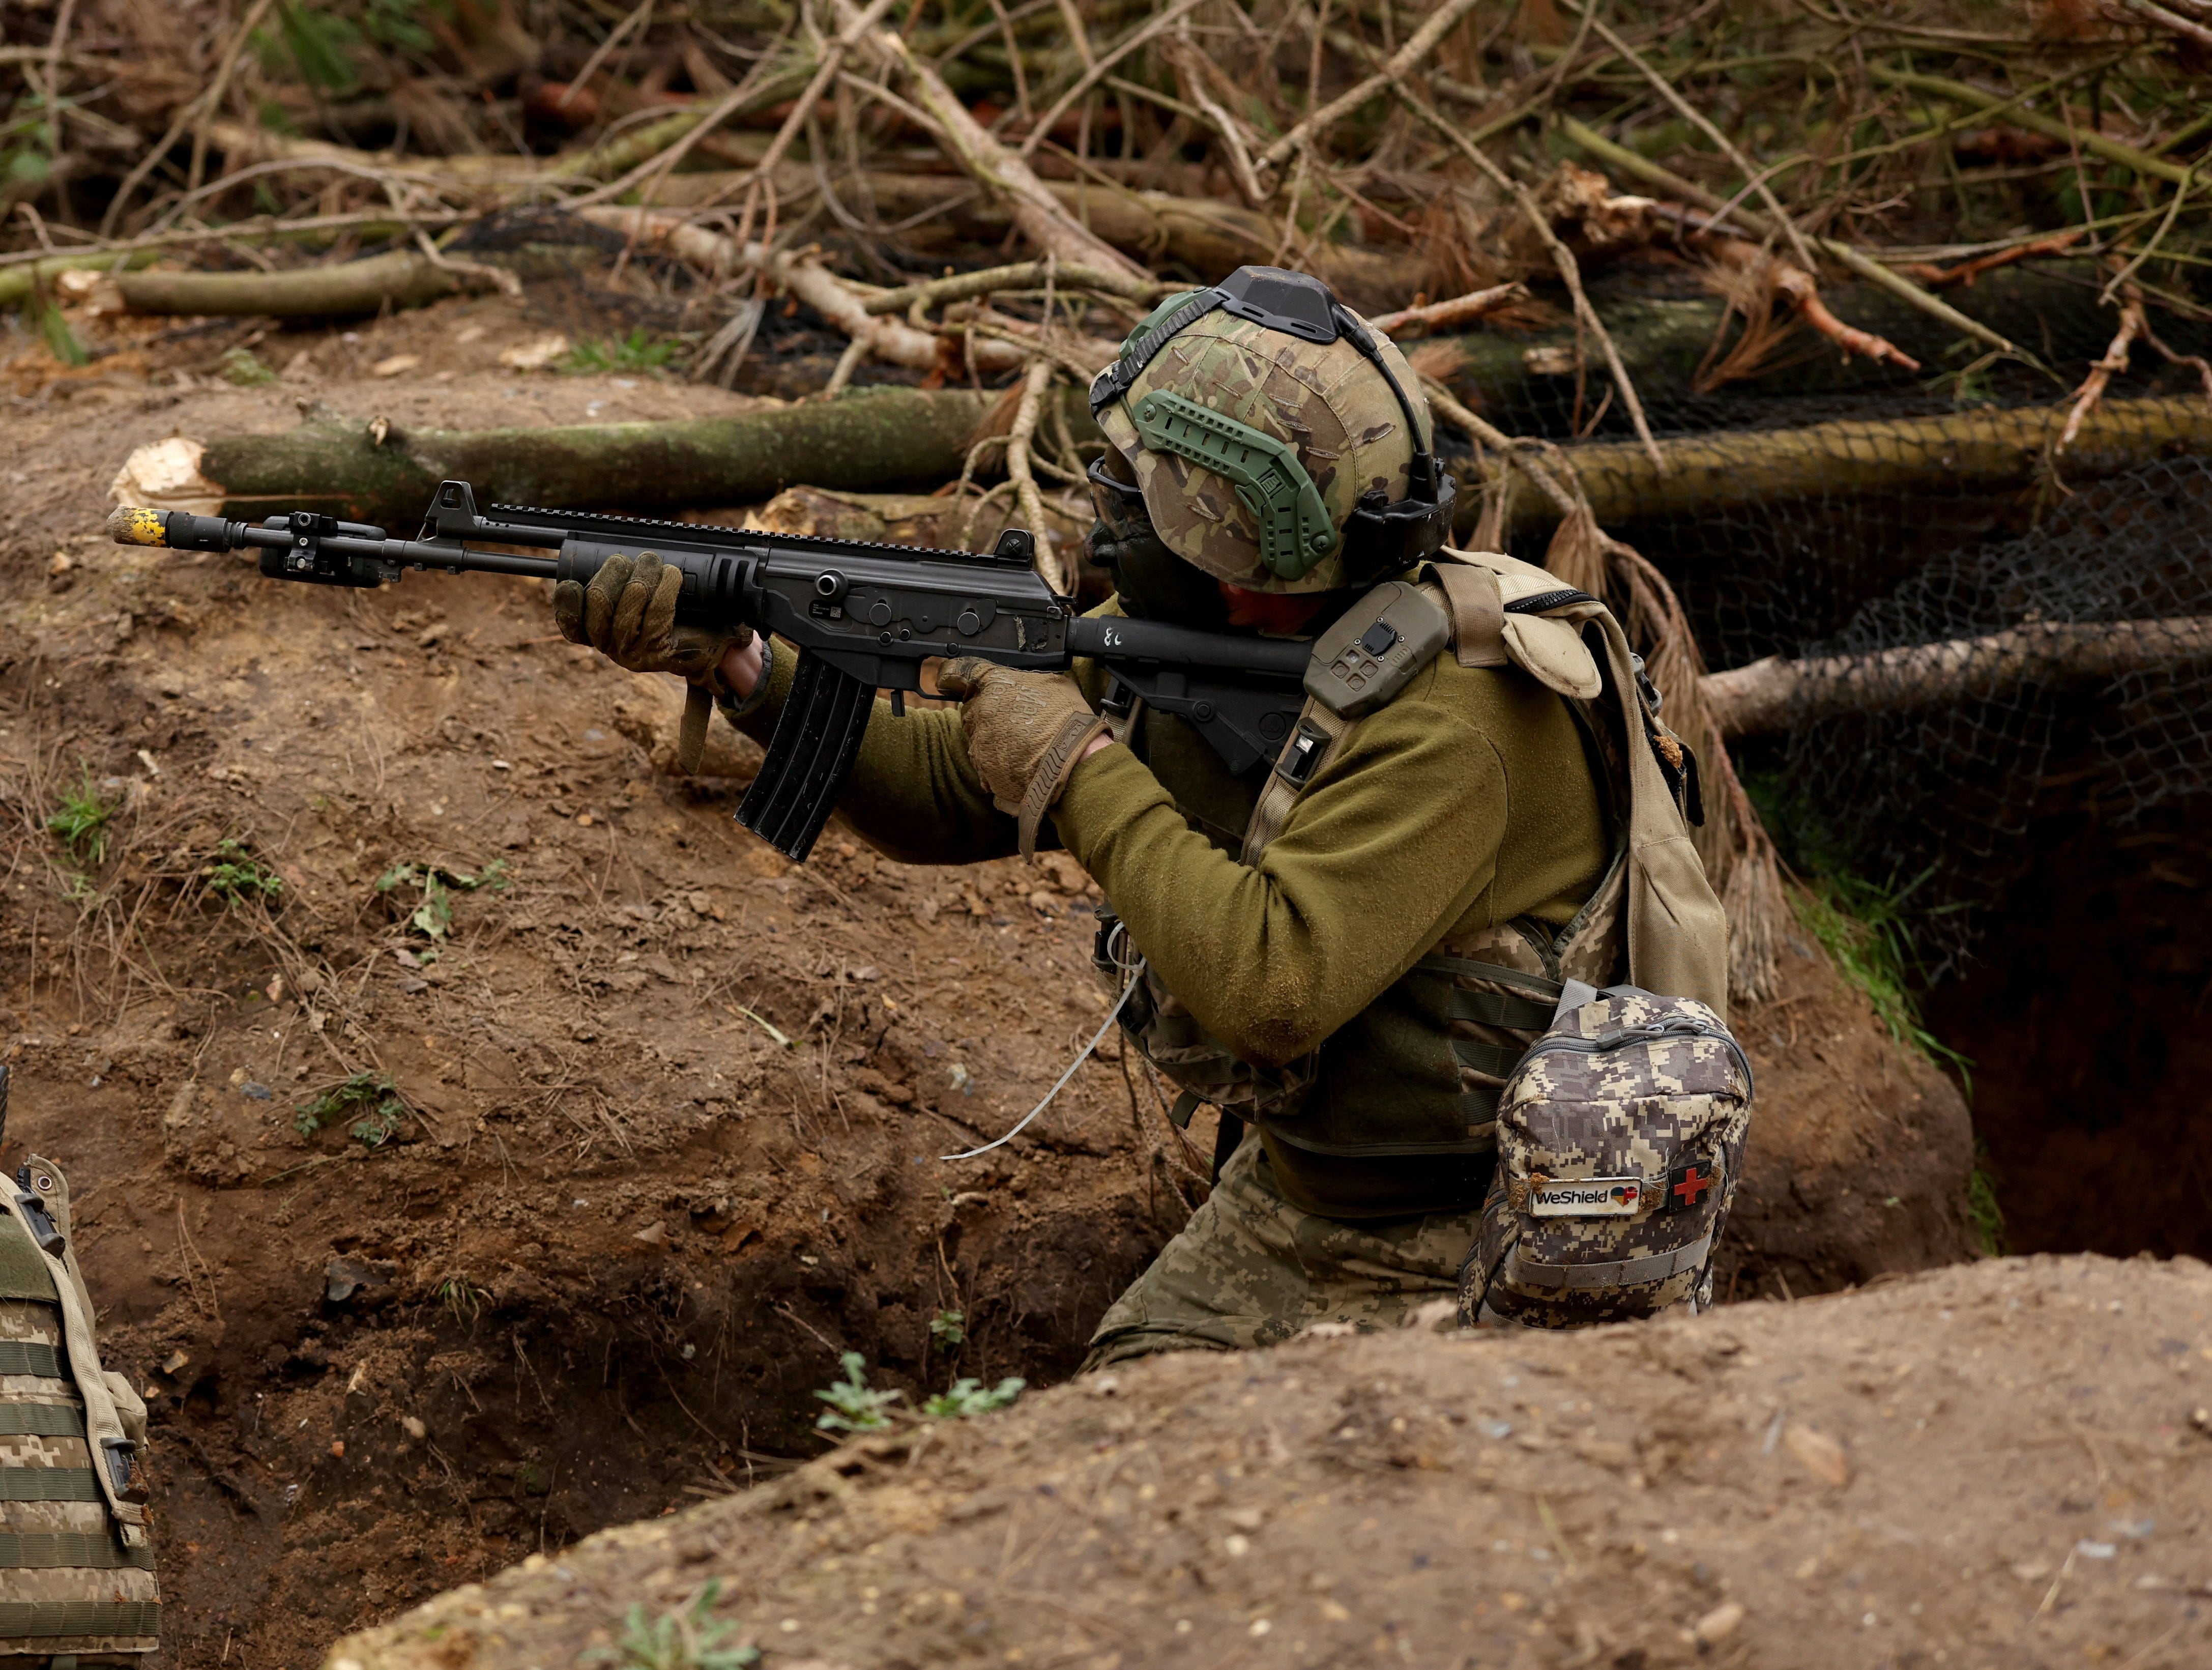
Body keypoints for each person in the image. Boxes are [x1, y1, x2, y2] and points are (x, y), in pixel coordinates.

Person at [555, 265, 1723, 1367]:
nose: (1117, 517)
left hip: (1492, 1231)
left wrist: (1071, 756)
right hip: (1302, 1193)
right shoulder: (1246, 642)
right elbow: (956, 792)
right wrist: (752, 670)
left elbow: (1271, 988)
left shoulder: (1459, 715)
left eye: (1145, 490)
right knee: (1137, 1399)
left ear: (1230, 536)